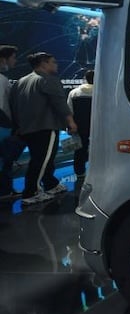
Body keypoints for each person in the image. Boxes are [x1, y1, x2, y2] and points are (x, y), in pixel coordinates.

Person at [10, 52, 78, 205]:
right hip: (45, 126)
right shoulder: (48, 80)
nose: (56, 65)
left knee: (42, 159)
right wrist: (71, 122)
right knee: (41, 161)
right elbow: (59, 104)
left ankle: (50, 183)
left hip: (27, 128)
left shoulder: (21, 82)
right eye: (53, 62)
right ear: (43, 63)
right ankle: (31, 192)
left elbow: (13, 106)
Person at [0, 45, 25, 197]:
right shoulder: (1, 80)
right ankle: (4, 191)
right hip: (2, 126)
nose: (15, 61)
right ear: (3, 59)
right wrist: (12, 125)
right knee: (4, 160)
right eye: (13, 58)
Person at [67, 69, 94, 181]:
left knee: (79, 150)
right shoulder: (102, 92)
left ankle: (79, 172)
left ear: (85, 78)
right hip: (96, 126)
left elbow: (69, 110)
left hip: (79, 126)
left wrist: (70, 125)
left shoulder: (74, 93)